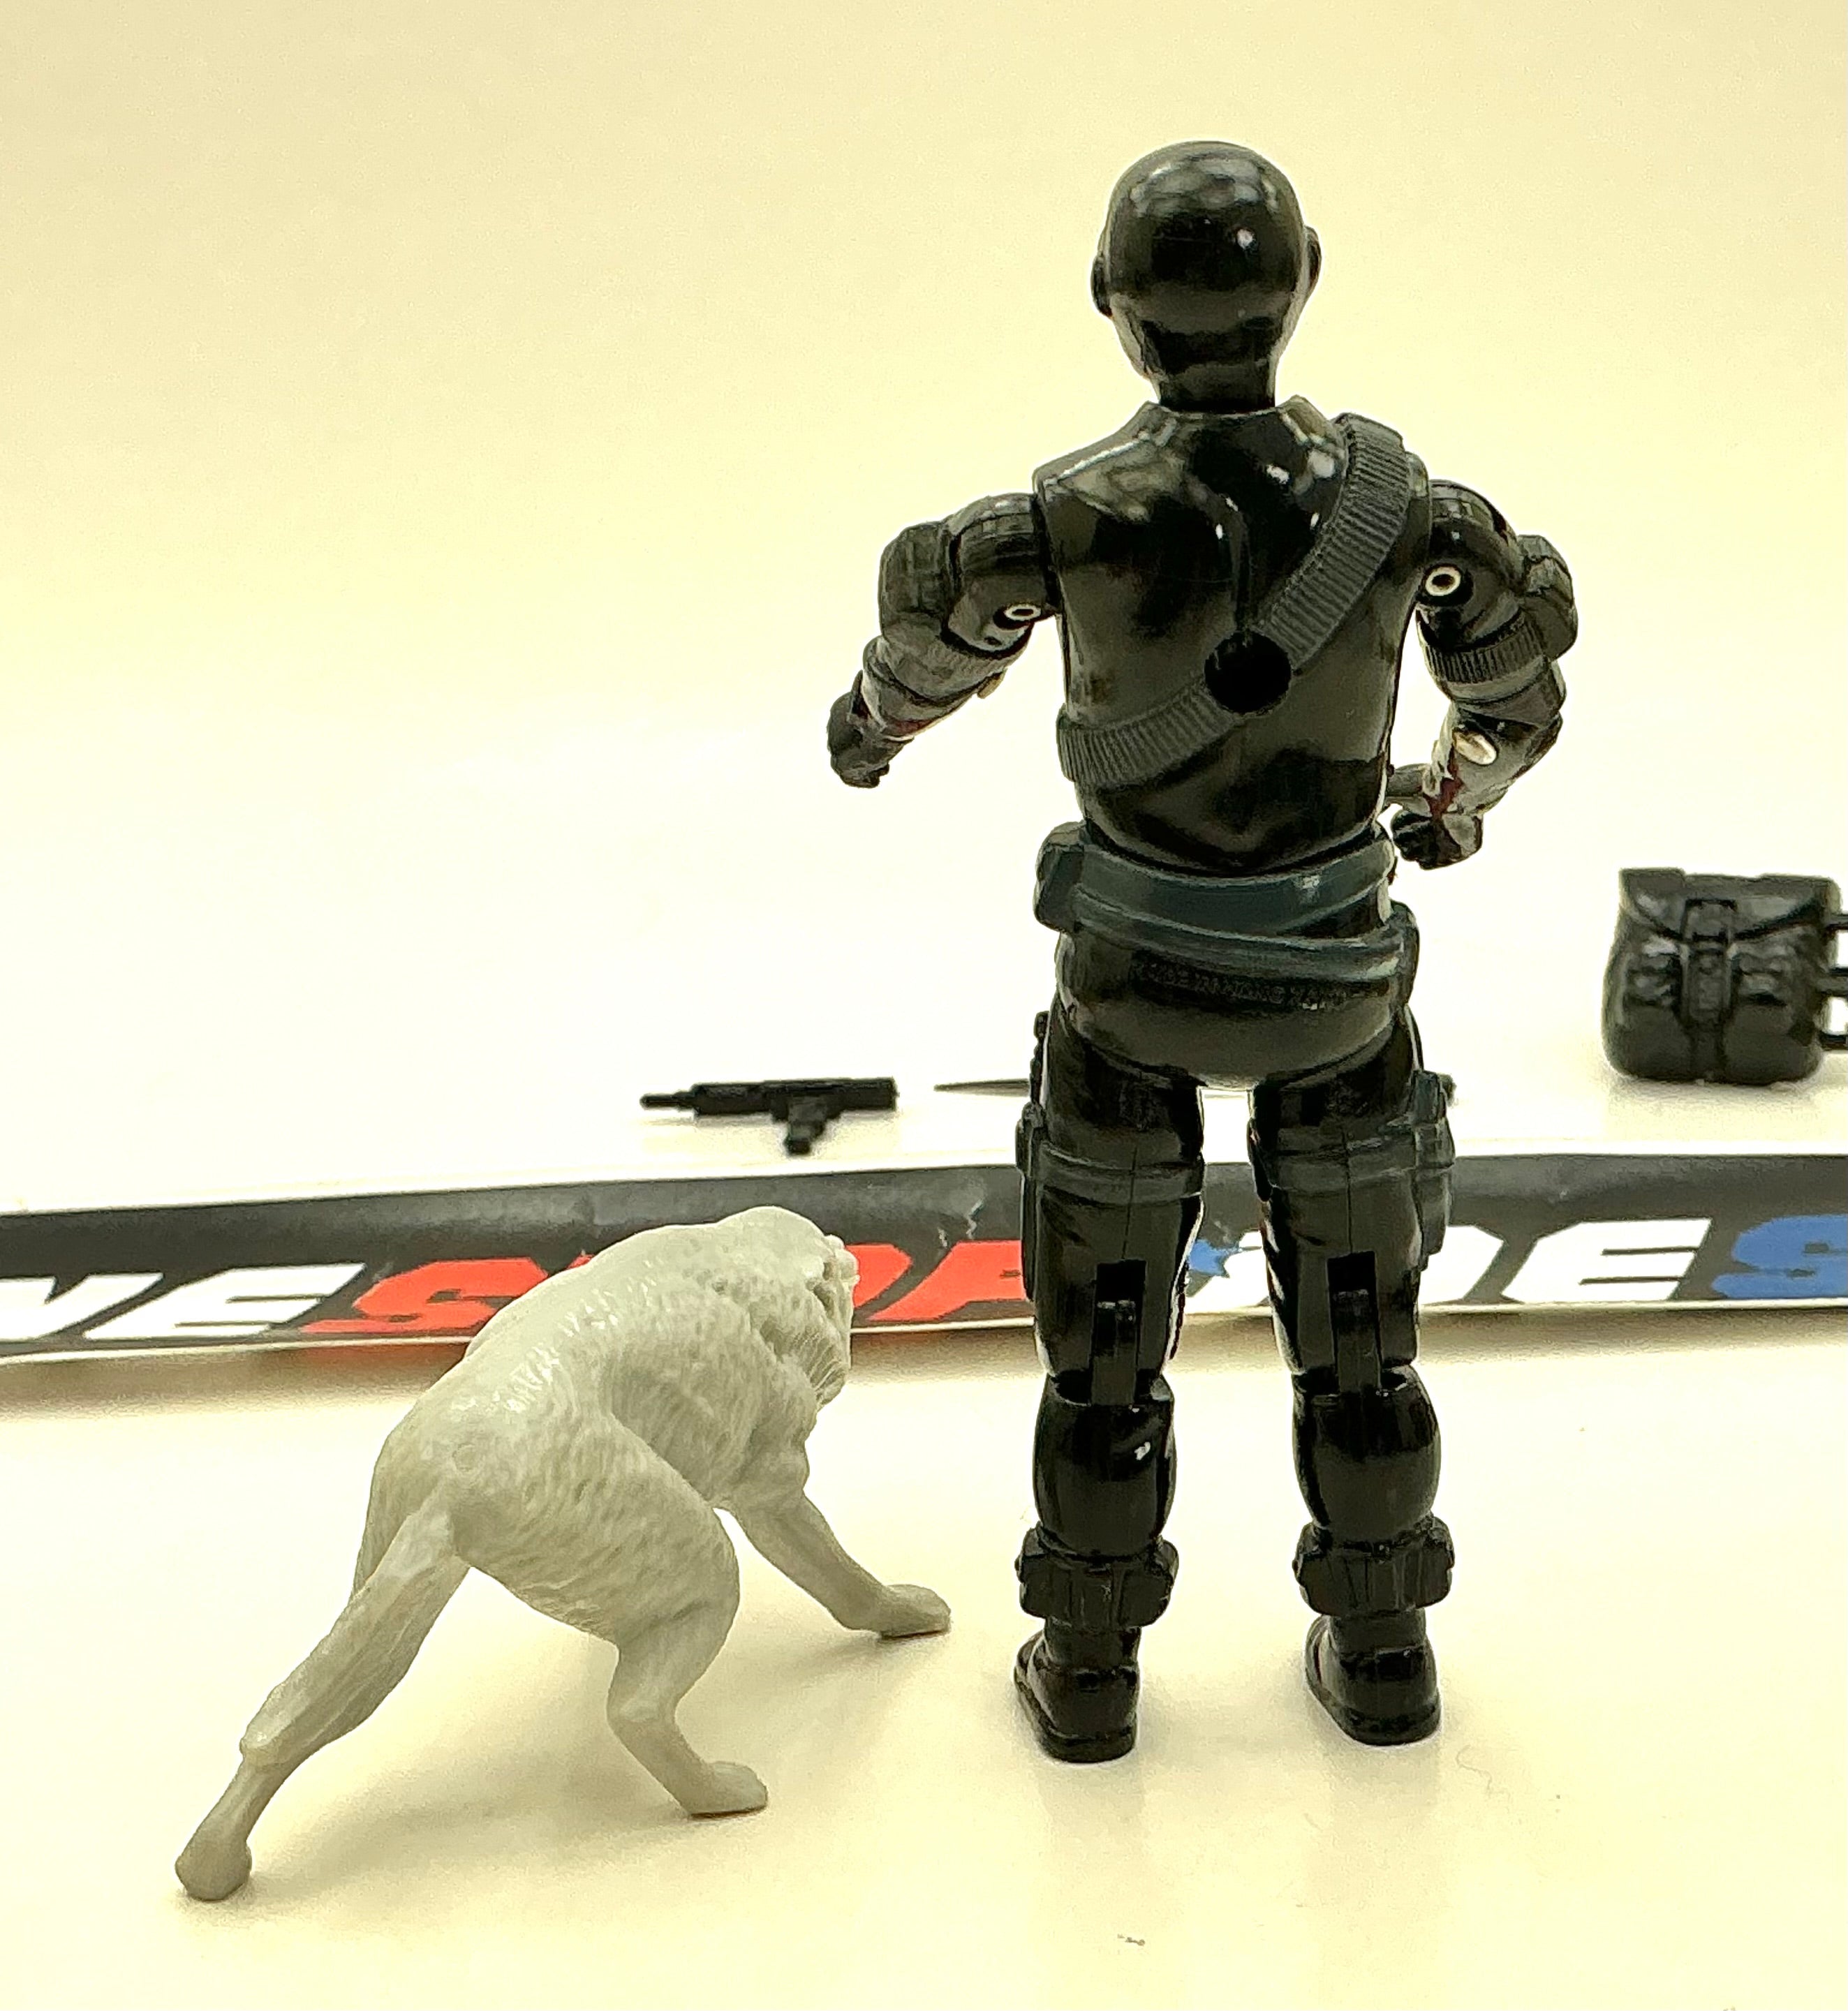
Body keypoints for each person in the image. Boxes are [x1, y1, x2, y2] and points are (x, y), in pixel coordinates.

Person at [827, 141, 1574, 1761]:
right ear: (1305, 287)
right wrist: (1450, 800)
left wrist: (864, 737)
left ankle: (1090, 1668)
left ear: (1110, 301)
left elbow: (907, 678)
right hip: (1335, 994)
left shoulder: (1049, 525)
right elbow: (1516, 700)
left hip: (1130, 990)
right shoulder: (1416, 517)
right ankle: (1384, 1652)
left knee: (1103, 1359)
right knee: (1363, 1346)